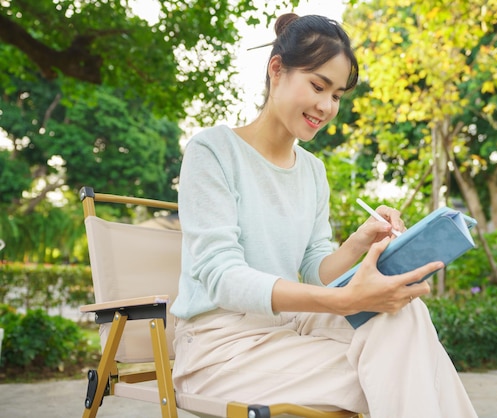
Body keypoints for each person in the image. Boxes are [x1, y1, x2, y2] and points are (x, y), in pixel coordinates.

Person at [170, 13, 478, 418]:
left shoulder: (312, 171)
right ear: (276, 70)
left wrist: (359, 242)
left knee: (403, 315)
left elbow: (315, 268)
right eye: (318, 86)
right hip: (221, 350)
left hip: (288, 330)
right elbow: (222, 276)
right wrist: (343, 301)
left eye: (336, 95)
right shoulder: (212, 151)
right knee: (409, 371)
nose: (326, 106)